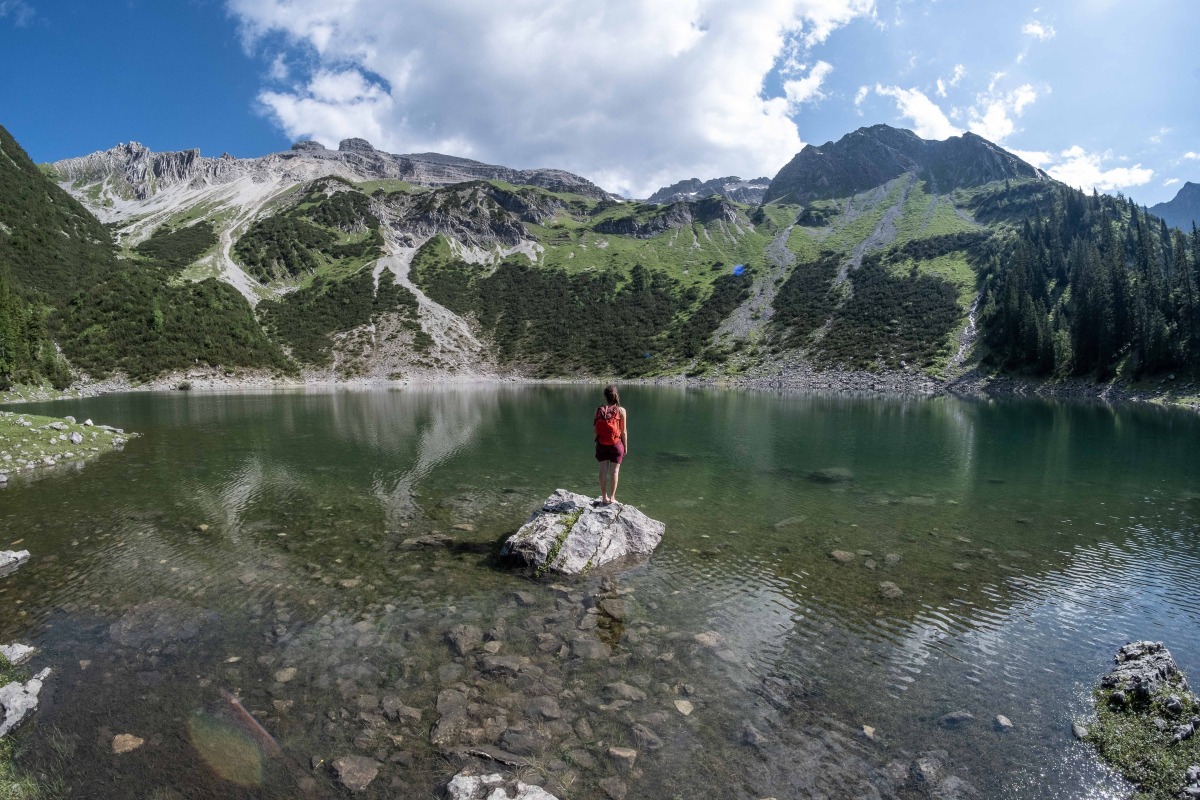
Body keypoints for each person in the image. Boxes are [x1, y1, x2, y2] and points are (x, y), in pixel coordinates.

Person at [594, 384, 628, 505]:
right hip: (616, 444)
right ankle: (612, 498)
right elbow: (623, 431)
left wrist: (598, 442)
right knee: (614, 471)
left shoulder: (599, 410)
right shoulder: (621, 410)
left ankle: (604, 497)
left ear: (605, 396)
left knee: (602, 470)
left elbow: (595, 429)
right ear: (616, 395)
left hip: (601, 443)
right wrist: (625, 447)